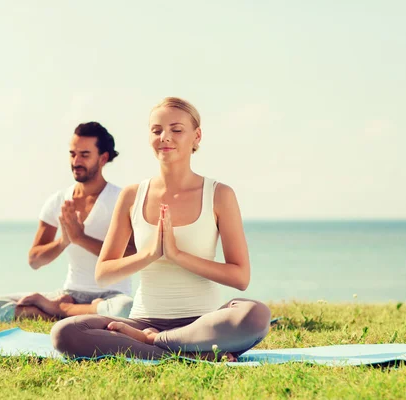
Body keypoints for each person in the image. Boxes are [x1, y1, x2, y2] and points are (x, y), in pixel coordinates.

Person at [51, 98, 271, 360]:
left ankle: (157, 344)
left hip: (202, 325)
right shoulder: (133, 195)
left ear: (196, 136)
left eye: (176, 130)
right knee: (65, 333)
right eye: (156, 130)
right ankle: (189, 354)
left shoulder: (219, 194)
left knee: (255, 314)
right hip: (142, 321)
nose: (165, 137)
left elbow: (240, 277)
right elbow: (104, 274)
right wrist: (149, 254)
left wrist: (177, 255)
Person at [0, 122, 134, 322]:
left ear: (103, 158)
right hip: (70, 293)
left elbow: (132, 253)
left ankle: (59, 311)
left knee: (126, 310)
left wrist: (81, 238)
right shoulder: (58, 200)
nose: (76, 161)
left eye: (85, 155)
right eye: (73, 154)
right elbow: (35, 260)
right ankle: (68, 310)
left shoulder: (121, 199)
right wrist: (64, 241)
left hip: (111, 296)